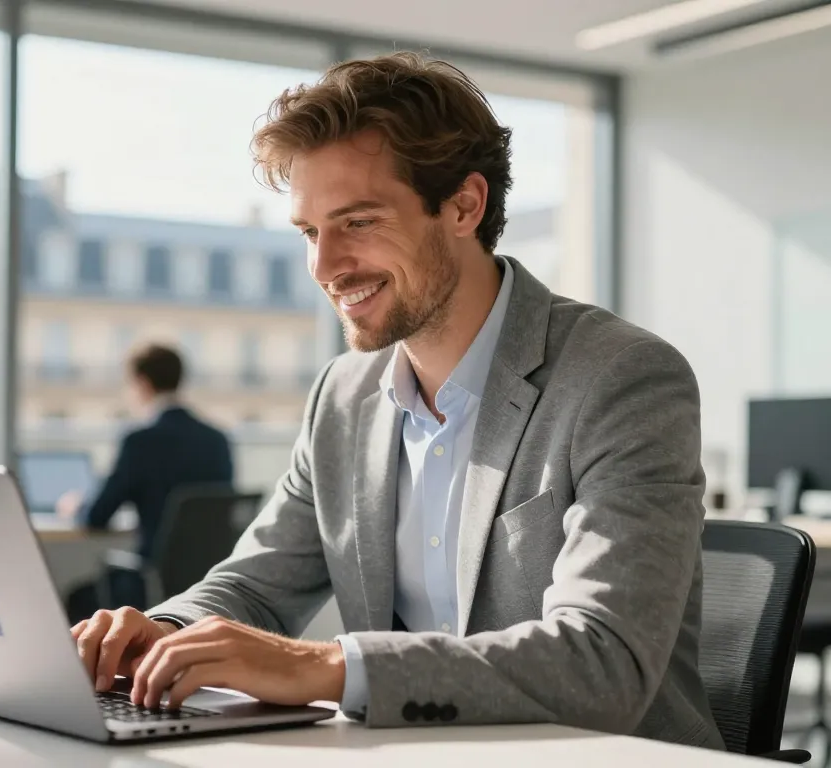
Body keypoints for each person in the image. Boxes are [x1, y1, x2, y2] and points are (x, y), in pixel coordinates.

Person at [71, 53, 724, 749]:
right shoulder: (343, 396)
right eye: (309, 233)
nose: (324, 267)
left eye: (358, 222)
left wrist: (324, 665)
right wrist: (162, 634)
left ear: (464, 206)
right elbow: (257, 585)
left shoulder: (619, 377)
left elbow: (602, 662)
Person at [57, 343, 233, 561]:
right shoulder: (217, 440)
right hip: (208, 580)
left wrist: (75, 507)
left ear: (142, 383)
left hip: (153, 579)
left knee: (78, 594)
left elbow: (97, 516)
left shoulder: (140, 442)